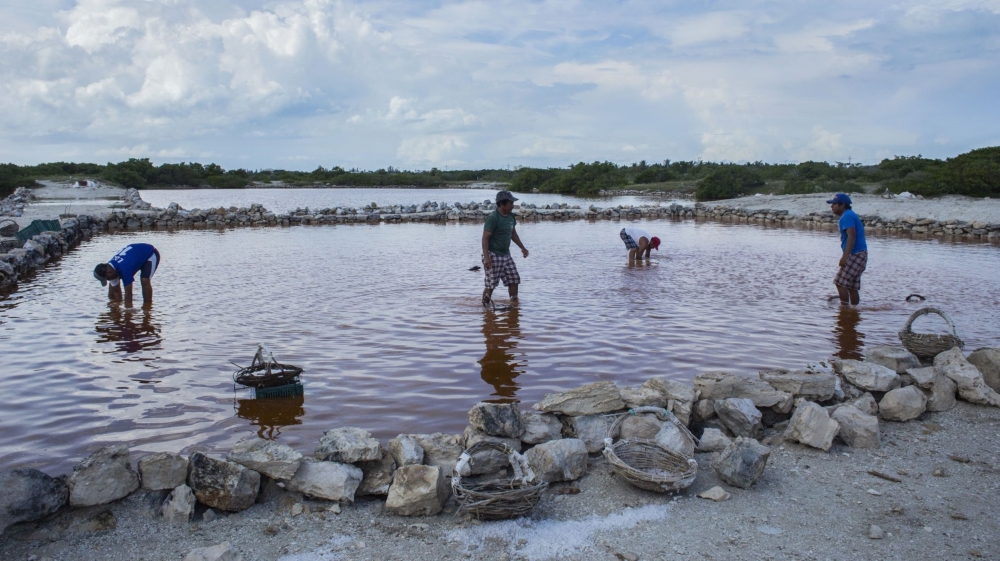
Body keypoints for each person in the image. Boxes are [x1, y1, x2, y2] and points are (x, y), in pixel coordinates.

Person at [482, 190, 528, 306]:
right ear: (501, 204)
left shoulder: (511, 216)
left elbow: (513, 233)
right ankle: (485, 308)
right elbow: (485, 238)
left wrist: (522, 248)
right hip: (493, 254)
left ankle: (514, 304)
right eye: (510, 204)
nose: (512, 206)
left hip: (506, 255)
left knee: (514, 279)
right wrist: (486, 258)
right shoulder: (493, 217)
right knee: (491, 284)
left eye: (513, 203)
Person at [828, 193, 868, 306]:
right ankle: (854, 311)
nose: (832, 206)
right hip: (860, 254)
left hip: (856, 254)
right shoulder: (849, 215)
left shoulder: (847, 216)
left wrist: (845, 256)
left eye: (834, 204)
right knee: (851, 286)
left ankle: (844, 309)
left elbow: (852, 235)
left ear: (842, 205)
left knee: (839, 282)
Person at [93, 243, 160, 308]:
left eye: (108, 279)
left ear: (109, 272)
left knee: (145, 280)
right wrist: (116, 307)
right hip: (135, 256)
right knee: (113, 292)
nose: (109, 280)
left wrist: (128, 312)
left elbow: (128, 294)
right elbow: (116, 292)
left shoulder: (125, 269)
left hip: (150, 253)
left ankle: (147, 307)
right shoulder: (111, 269)